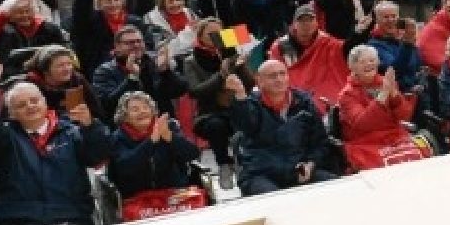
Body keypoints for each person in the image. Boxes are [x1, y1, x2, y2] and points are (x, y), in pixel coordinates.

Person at [0, 53, 110, 225]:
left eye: (34, 100)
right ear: (11, 114)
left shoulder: (71, 132)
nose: (30, 106)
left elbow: (98, 156)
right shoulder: (5, 138)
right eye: (21, 104)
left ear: (45, 103)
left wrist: (90, 127)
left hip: (73, 223)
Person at [224, 59, 337, 195]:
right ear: (259, 81)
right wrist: (241, 97)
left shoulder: (305, 103)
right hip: (260, 173)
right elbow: (245, 125)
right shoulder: (250, 105)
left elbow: (320, 143)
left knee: (336, 188)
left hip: (299, 170)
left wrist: (310, 164)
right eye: (272, 76)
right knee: (276, 200)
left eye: (282, 74)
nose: (279, 79)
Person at [177, 18, 253, 190]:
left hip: (236, 106)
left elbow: (250, 84)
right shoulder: (191, 60)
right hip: (209, 111)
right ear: (200, 36)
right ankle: (224, 165)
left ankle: (247, 163)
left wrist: (240, 66)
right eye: (209, 33)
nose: (214, 36)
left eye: (218, 32)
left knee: (248, 120)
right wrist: (220, 75)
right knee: (216, 125)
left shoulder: (231, 52)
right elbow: (195, 91)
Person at [337, 45, 428, 171]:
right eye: (362, 61)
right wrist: (383, 95)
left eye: (372, 60)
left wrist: (394, 95)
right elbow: (363, 123)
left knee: (418, 158)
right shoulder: (347, 95)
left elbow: (405, 116)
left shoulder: (386, 83)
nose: (368, 64)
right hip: (366, 143)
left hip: (395, 137)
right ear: (352, 67)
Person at [107, 91, 202, 201]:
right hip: (135, 198)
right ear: (125, 117)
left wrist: (170, 137)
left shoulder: (168, 127)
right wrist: (151, 141)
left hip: (174, 193)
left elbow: (192, 154)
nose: (142, 111)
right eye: (135, 109)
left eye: (145, 107)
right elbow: (126, 167)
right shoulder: (118, 137)